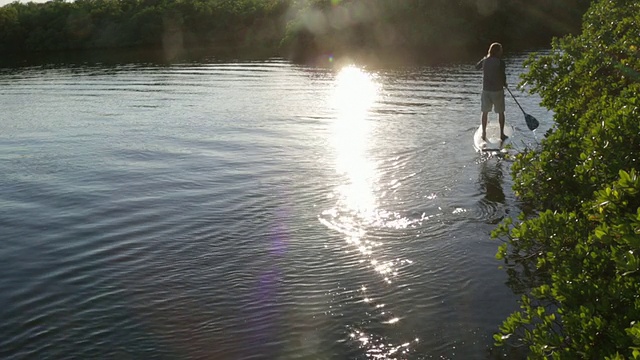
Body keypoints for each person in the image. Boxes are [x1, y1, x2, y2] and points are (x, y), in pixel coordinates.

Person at [475, 42, 507, 141]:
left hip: (486, 90)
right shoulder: (500, 62)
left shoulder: (484, 61)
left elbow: (477, 67)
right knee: (500, 112)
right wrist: (505, 83)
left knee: (485, 112)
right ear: (497, 51)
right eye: (500, 50)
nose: (501, 52)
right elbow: (503, 75)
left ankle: (484, 133)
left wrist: (485, 58)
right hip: (497, 90)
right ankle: (501, 134)